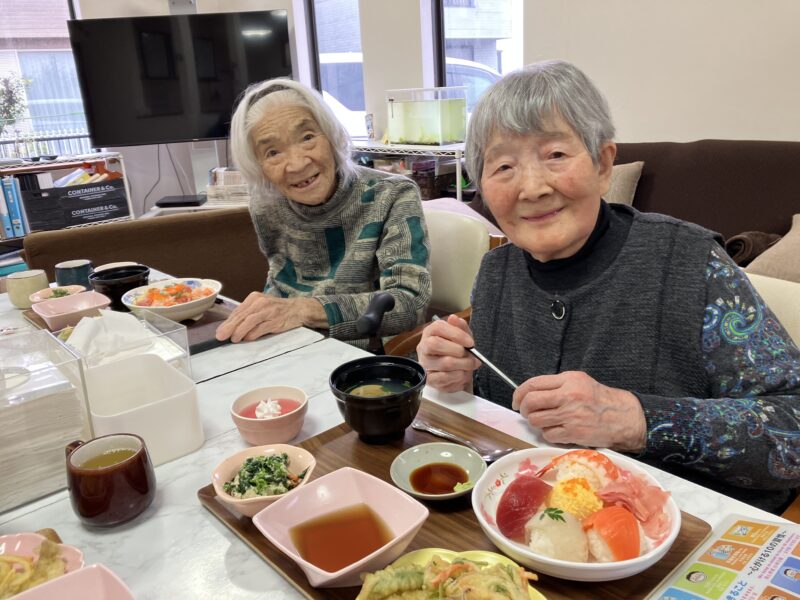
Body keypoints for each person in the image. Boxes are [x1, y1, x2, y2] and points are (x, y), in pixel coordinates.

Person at [417, 60, 800, 512]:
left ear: (603, 165)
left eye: (555, 155)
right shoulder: (496, 271)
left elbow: (791, 427)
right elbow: (505, 415)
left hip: (683, 530)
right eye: (503, 166)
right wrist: (460, 380)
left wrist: (636, 419)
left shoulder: (690, 262)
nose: (532, 188)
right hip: (536, 524)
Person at [216, 79, 431, 349]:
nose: (297, 164)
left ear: (331, 137)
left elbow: (408, 303)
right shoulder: (266, 205)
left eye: (307, 138)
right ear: (258, 166)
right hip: (291, 346)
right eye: (273, 152)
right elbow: (280, 280)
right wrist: (264, 316)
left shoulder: (391, 195)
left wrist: (304, 310)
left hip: (365, 358)